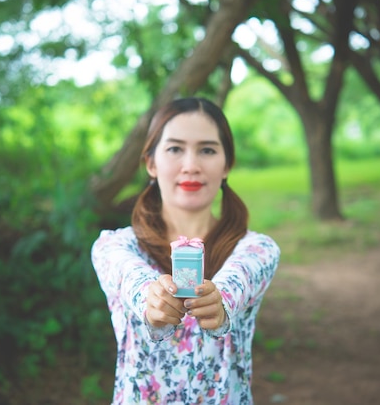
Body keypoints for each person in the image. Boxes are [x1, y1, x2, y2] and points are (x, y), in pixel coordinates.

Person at [91, 96, 280, 404]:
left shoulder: (257, 249)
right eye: (175, 149)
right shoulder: (113, 246)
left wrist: (219, 303)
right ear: (151, 163)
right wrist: (152, 300)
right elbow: (131, 278)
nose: (191, 166)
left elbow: (236, 282)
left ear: (227, 164)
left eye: (207, 150)